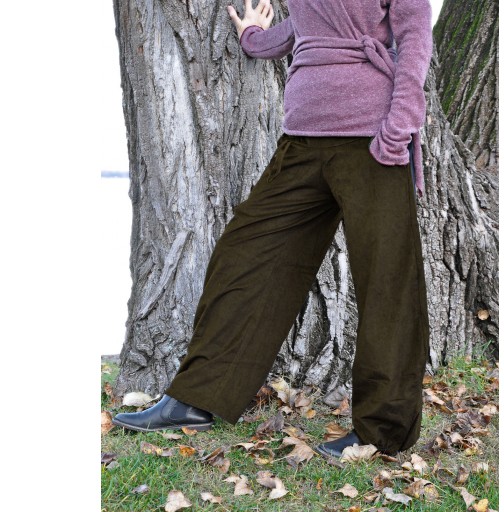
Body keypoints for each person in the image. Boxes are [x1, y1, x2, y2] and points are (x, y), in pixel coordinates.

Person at [113, 0, 433, 459]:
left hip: (373, 140)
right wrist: (254, 38)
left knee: (387, 284)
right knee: (245, 253)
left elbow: (416, 38)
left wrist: (400, 126)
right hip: (302, 140)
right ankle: (198, 398)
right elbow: (306, 26)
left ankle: (382, 431)